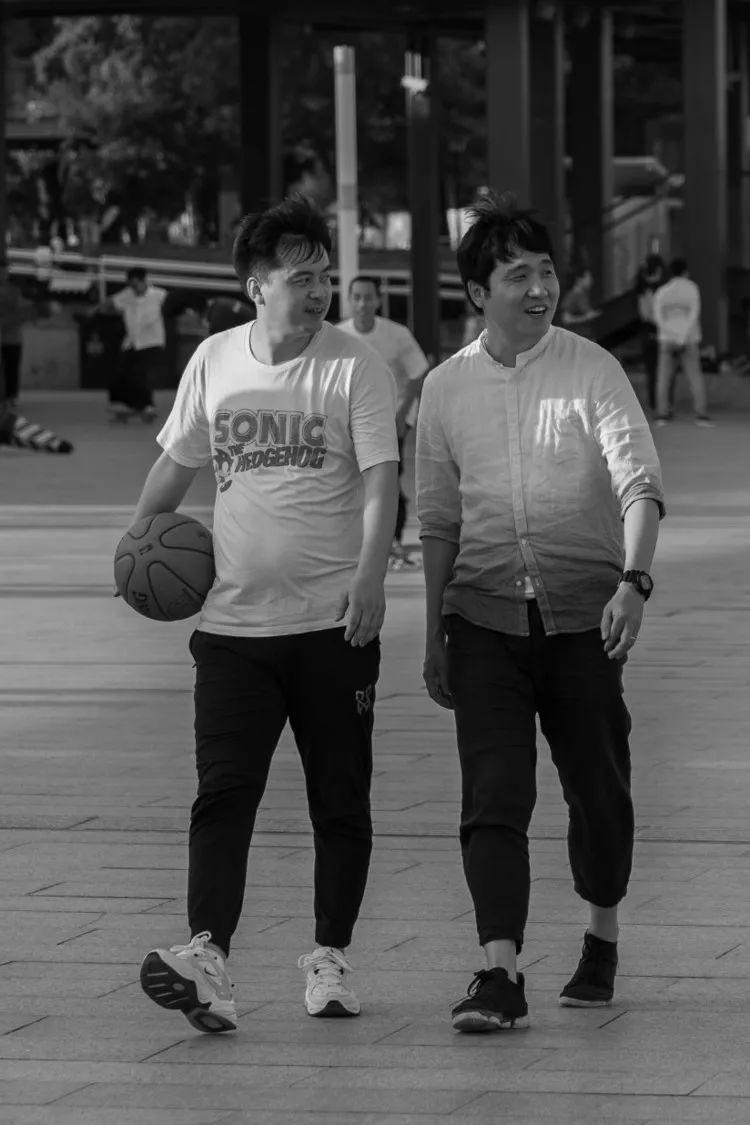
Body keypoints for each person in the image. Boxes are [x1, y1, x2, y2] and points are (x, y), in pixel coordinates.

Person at [131, 194, 399, 1033]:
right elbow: (175, 464)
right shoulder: (214, 360)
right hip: (232, 631)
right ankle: (207, 957)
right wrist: (135, 544)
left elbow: (382, 478)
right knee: (223, 793)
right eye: (301, 277)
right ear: (256, 284)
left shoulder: (354, 364)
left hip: (332, 627)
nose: (319, 291)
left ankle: (330, 957)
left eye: (324, 276)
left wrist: (371, 577)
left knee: (340, 801)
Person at [416, 190, 665, 1033]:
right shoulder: (445, 389)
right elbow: (438, 520)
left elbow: (639, 483)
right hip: (481, 622)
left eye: (546, 271)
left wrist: (633, 581)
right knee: (494, 793)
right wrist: (432, 631)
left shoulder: (593, 368)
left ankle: (601, 934)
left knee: (598, 788)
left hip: (583, 621)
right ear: (477, 292)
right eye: (517, 274)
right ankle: (500, 970)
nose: (539, 288)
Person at [338, 276, 430, 568]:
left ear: (378, 300)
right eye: (357, 297)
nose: (362, 304)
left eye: (368, 297)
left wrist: (401, 413)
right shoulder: (338, 336)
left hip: (391, 419)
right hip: (351, 421)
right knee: (351, 479)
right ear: (349, 300)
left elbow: (418, 373)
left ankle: (393, 541)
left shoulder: (397, 335)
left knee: (387, 478)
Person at [100, 267, 168, 420]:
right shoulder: (127, 295)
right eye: (131, 285)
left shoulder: (158, 295)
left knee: (140, 373)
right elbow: (110, 303)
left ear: (144, 282)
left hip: (152, 342)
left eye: (136, 285)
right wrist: (108, 310)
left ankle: (147, 405)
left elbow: (175, 305)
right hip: (132, 342)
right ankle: (125, 404)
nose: (134, 289)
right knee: (120, 372)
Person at [652, 258, 713, 427]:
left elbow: (658, 317)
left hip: (667, 340)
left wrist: (672, 334)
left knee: (663, 378)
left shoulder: (662, 291)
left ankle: (662, 414)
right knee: (694, 377)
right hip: (689, 339)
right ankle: (701, 414)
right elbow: (694, 313)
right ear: (686, 272)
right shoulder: (692, 288)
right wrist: (682, 336)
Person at [635, 253, 668, 413]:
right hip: (660, 331)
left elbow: (644, 314)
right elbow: (648, 314)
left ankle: (656, 404)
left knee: (652, 369)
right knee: (663, 370)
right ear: (659, 270)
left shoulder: (641, 288)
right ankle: (663, 404)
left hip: (648, 331)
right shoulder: (663, 288)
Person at [0, 261, 28, 408]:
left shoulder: (14, 290)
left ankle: (12, 396)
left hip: (12, 338)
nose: (3, 274)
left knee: (12, 368)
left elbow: (21, 312)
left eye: (5, 271)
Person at [559, 267, 601, 338]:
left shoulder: (582, 295)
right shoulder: (572, 295)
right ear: (579, 280)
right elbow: (566, 320)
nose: (591, 280)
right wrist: (586, 317)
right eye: (588, 277)